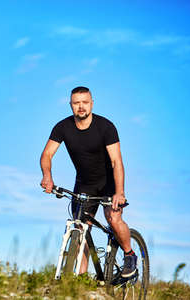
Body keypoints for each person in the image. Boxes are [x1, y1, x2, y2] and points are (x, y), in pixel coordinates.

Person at [40, 86, 137, 277]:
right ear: (70, 105)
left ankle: (129, 254)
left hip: (109, 183)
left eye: (85, 102)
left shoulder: (106, 127)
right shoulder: (62, 127)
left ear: (92, 103)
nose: (81, 107)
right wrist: (47, 176)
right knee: (80, 229)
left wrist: (119, 192)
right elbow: (47, 155)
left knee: (113, 219)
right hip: (84, 184)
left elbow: (117, 161)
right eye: (76, 103)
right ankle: (80, 281)